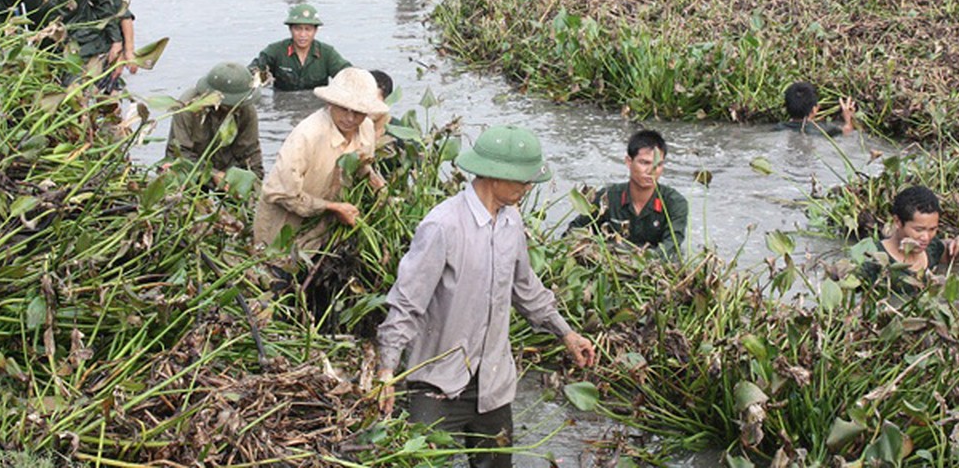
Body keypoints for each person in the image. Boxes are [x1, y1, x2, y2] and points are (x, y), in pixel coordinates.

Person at [375, 125, 598, 467]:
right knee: (417, 462)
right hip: (436, 383)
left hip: (492, 382)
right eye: (522, 180)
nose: (527, 187)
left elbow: (527, 290)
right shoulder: (442, 226)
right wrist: (387, 370)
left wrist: (565, 333)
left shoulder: (511, 223)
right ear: (494, 176)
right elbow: (407, 303)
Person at [255, 67, 387, 251]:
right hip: (283, 233)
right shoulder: (307, 135)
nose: (350, 118)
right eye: (344, 109)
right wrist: (332, 207)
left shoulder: (366, 128)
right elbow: (280, 193)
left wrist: (377, 184)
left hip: (327, 229)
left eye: (358, 112)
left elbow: (362, 165)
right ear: (330, 103)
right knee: (278, 273)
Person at [567, 129, 688, 258]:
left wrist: (643, 265)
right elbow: (573, 231)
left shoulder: (675, 203)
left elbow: (672, 245)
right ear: (629, 162)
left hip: (655, 269)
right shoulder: (607, 197)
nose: (651, 171)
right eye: (644, 163)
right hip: (612, 262)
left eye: (658, 165)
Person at [860, 186, 959, 288]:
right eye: (918, 230)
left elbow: (948, 251)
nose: (926, 237)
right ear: (897, 222)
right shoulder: (872, 258)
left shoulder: (931, 249)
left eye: (932, 229)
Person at [165, 62, 264, 179]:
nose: (234, 108)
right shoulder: (187, 106)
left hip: (229, 171)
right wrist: (214, 175)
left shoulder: (246, 109)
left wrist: (253, 181)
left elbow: (251, 152)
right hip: (192, 171)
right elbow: (179, 154)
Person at [249, 3, 350, 91]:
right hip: (283, 107)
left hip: (317, 106)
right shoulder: (275, 51)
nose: (302, 34)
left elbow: (349, 74)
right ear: (290, 29)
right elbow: (251, 73)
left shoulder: (327, 53)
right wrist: (261, 78)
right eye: (298, 29)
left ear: (315, 31)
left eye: (308, 29)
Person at [779, 82, 855, 136]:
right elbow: (847, 131)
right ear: (814, 109)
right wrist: (848, 120)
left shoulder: (778, 128)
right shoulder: (826, 130)